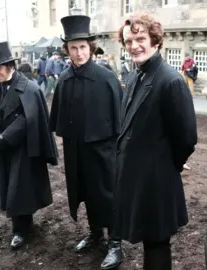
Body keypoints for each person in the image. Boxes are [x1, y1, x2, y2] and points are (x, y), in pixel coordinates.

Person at [115, 12, 198, 269]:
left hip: (157, 180)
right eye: (128, 41)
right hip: (138, 178)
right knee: (147, 239)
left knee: (157, 242)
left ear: (155, 40)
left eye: (140, 38)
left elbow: (186, 137)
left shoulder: (170, 80)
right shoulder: (135, 76)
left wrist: (169, 164)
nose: (134, 46)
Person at [49, 15, 123, 269]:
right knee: (85, 192)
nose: (79, 53)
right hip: (76, 151)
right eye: (73, 48)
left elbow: (120, 119)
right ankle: (95, 234)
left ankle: (115, 243)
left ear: (90, 47)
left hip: (104, 151)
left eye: (82, 47)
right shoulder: (64, 80)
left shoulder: (106, 77)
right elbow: (58, 118)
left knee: (107, 194)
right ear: (67, 50)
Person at [0, 41, 59, 249]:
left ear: (10, 66)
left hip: (24, 148)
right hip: (5, 148)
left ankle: (20, 230)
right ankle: (22, 226)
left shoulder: (29, 89)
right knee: (11, 187)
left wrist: (7, 136)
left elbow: (29, 118)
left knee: (21, 188)